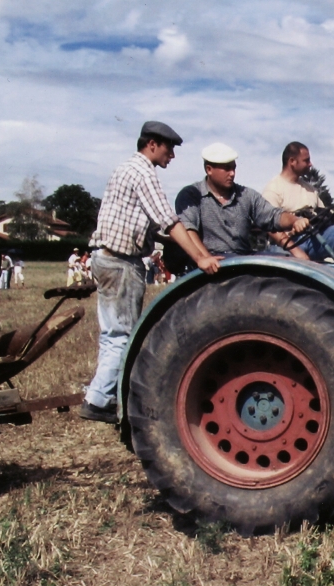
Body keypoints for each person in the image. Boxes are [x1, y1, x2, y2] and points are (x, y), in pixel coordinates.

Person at [79, 121, 221, 425]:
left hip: (105, 258)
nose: (172, 155)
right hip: (121, 263)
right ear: (153, 144)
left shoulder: (126, 168)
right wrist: (201, 258)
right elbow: (168, 221)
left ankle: (104, 394)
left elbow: (156, 228)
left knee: (111, 334)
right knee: (122, 336)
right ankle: (99, 400)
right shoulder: (144, 173)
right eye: (169, 149)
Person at [174, 142, 310, 259]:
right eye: (227, 169)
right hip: (214, 259)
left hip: (242, 257)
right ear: (209, 169)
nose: (232, 173)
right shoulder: (191, 196)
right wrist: (206, 260)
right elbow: (188, 231)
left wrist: (294, 220)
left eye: (233, 168)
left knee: (288, 262)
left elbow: (273, 216)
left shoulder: (246, 195)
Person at [262, 142, 334, 263]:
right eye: (306, 160)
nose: (310, 164)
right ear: (292, 161)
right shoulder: (273, 189)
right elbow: (270, 228)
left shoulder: (310, 189)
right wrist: (296, 248)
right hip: (287, 245)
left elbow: (324, 214)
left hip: (313, 239)